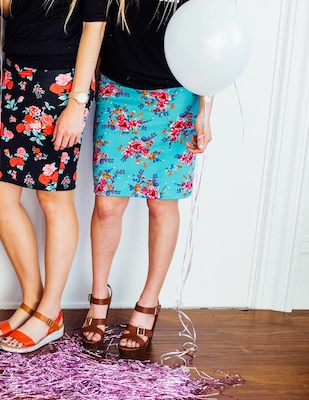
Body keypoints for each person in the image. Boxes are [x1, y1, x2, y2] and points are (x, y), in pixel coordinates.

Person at [80, 0, 213, 359]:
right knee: (107, 206)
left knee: (161, 205)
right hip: (116, 92)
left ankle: (149, 303)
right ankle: (98, 298)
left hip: (176, 99)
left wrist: (205, 111)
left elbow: (208, 42)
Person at [0, 0, 107, 353]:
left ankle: (51, 309)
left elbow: (94, 27)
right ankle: (33, 300)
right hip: (12, 79)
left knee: (53, 198)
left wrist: (77, 102)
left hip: (60, 85)